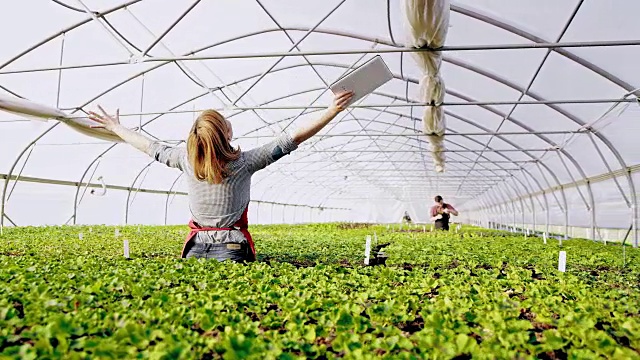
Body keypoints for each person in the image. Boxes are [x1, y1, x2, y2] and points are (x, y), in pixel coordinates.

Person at [88, 91, 354, 262]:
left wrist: (115, 127)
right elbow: (292, 138)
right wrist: (331, 111)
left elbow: (148, 146)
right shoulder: (244, 163)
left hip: (194, 248)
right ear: (226, 134)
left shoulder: (185, 160)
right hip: (232, 249)